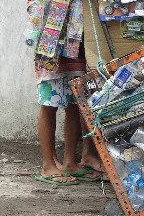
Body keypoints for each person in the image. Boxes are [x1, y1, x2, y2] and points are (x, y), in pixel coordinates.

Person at [35, 46, 104, 185]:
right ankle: (48, 166)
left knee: (74, 105)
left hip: (76, 47)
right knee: (49, 105)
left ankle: (70, 163)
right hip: (51, 44)